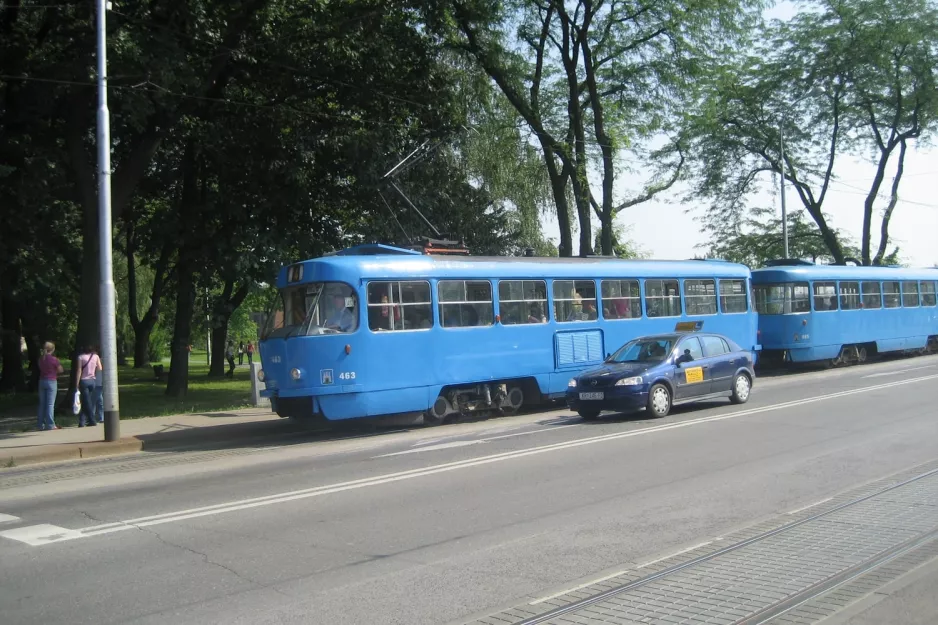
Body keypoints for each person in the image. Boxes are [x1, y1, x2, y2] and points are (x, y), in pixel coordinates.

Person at [37, 342, 64, 431]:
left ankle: (40, 425)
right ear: (52, 349)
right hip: (51, 381)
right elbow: (60, 370)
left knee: (42, 404)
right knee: (50, 404)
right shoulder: (54, 359)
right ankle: (50, 425)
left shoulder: (41, 359)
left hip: (42, 381)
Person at [74, 345, 102, 427]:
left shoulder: (81, 357)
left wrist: (77, 383)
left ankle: (92, 420)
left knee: (87, 402)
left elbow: (79, 370)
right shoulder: (96, 356)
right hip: (92, 381)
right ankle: (82, 422)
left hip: (84, 381)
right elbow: (100, 368)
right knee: (86, 401)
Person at [93, 345, 104, 424]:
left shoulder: (101, 360)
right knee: (97, 400)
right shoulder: (92, 361)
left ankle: (100, 417)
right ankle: (95, 417)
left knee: (99, 400)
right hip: (95, 382)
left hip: (98, 382)